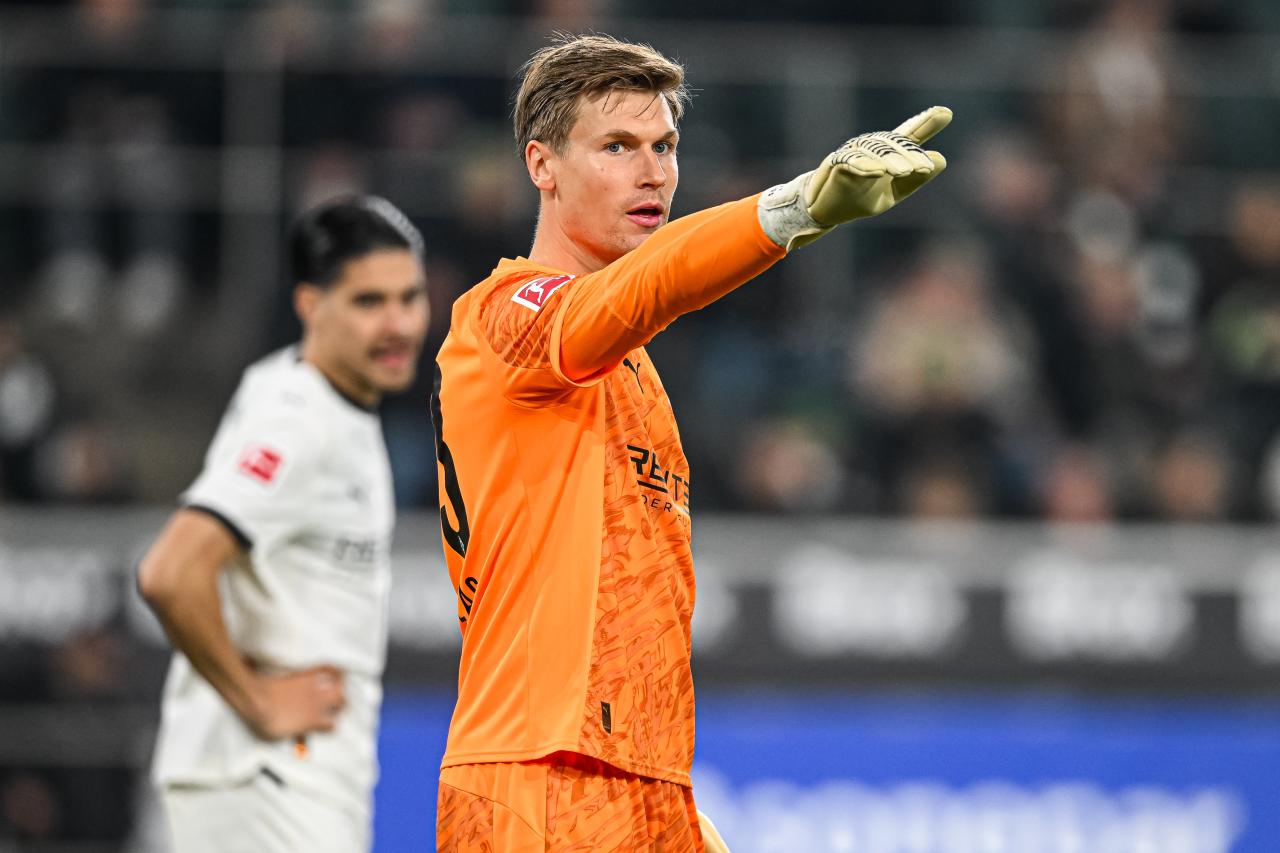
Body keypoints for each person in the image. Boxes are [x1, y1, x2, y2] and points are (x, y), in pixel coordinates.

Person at [430, 33, 949, 852]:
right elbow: (646, 289)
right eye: (617, 147)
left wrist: (670, 812)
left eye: (665, 146)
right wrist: (798, 207)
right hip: (538, 773)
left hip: (635, 776)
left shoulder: (632, 368)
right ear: (542, 165)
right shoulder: (504, 315)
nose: (653, 173)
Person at [137, 195, 430, 853]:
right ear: (309, 304)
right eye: (369, 301)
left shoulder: (307, 393)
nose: (398, 324)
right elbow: (169, 572)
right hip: (268, 775)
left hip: (282, 779)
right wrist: (258, 699)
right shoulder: (299, 422)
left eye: (409, 298)